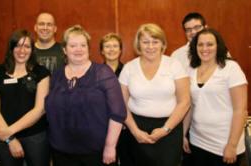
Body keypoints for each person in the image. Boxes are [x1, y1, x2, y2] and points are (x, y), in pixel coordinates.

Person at [45, 25, 127, 166]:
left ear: (88, 48)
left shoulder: (103, 72)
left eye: (83, 45)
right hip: (61, 151)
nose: (78, 49)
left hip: (97, 153)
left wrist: (110, 146)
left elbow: (117, 113)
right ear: (64, 50)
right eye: (73, 45)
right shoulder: (56, 75)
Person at [119, 23, 190, 166]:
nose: (150, 47)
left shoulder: (174, 65)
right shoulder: (129, 68)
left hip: (170, 128)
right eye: (145, 42)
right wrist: (135, 131)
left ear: (162, 43)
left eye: (155, 41)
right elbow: (121, 104)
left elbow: (185, 102)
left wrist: (165, 129)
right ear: (138, 44)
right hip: (137, 129)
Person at [184, 28, 247, 166]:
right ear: (195, 47)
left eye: (210, 44)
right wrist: (183, 135)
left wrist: (232, 145)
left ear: (218, 46)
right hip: (197, 141)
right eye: (200, 44)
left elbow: (240, 110)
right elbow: (190, 106)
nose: (204, 48)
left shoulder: (231, 68)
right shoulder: (191, 70)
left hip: (223, 144)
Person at [0, 29, 50, 166]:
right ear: (11, 48)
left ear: (32, 49)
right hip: (5, 139)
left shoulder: (41, 73)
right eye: (17, 45)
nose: (22, 50)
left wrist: (9, 132)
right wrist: (10, 139)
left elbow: (39, 110)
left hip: (35, 138)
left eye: (27, 46)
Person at [100, 33, 134, 166]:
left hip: (126, 126)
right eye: (107, 46)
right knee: (108, 161)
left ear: (120, 50)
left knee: (128, 160)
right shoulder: (96, 72)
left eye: (115, 46)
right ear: (102, 51)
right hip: (104, 126)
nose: (111, 49)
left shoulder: (129, 71)